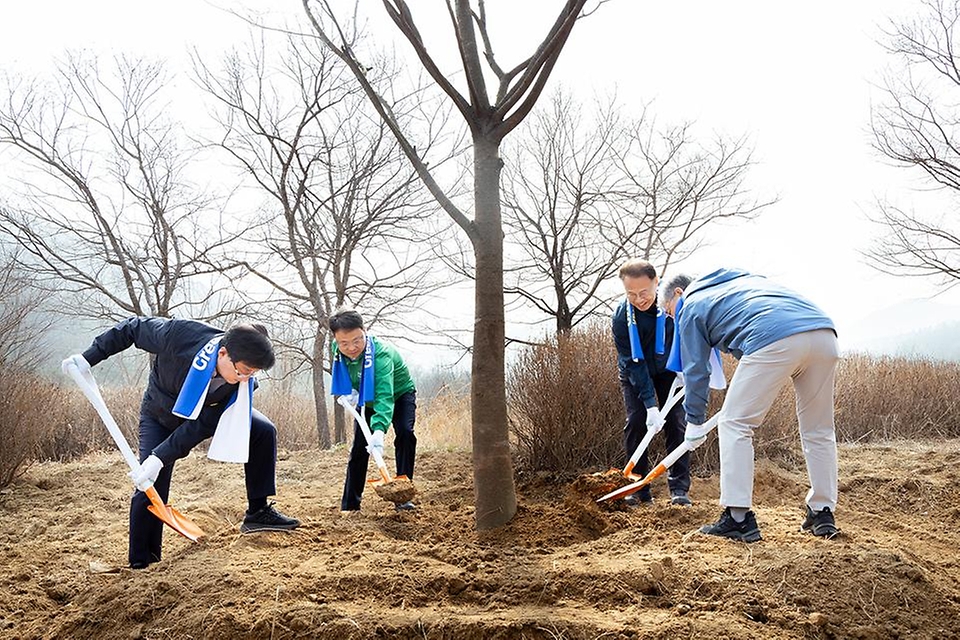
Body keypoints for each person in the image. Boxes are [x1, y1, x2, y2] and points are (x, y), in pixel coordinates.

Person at [63, 317, 300, 569]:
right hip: (160, 414)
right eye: (242, 371)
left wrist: (160, 456)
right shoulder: (178, 336)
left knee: (262, 430)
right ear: (222, 353)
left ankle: (258, 512)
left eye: (252, 373)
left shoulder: (241, 385)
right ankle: (143, 561)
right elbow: (132, 329)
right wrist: (89, 357)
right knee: (150, 482)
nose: (245, 378)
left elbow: (198, 428)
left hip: (199, 417)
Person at [660, 268, 840, 542]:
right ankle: (822, 513)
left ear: (679, 293)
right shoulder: (736, 283)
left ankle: (737, 518)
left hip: (774, 336)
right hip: (824, 334)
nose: (672, 318)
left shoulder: (691, 305)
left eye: (669, 311)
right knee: (819, 429)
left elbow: (696, 369)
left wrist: (694, 420)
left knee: (734, 423)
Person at [611, 258, 691, 506]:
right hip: (635, 371)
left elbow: (689, 337)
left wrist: (686, 369)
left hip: (669, 370)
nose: (638, 299)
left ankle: (679, 488)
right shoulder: (621, 318)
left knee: (676, 422)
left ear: (656, 282)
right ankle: (638, 488)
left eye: (644, 292)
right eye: (631, 293)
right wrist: (650, 404)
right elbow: (632, 363)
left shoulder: (672, 303)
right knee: (637, 422)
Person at [329, 309, 417, 512]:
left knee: (405, 433)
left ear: (364, 331)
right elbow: (343, 370)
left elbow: (385, 395)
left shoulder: (381, 354)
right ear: (336, 340)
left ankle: (403, 497)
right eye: (344, 343)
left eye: (357, 340)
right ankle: (350, 505)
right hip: (366, 398)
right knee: (359, 448)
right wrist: (349, 389)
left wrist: (378, 430)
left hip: (399, 394)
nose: (351, 348)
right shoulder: (337, 349)